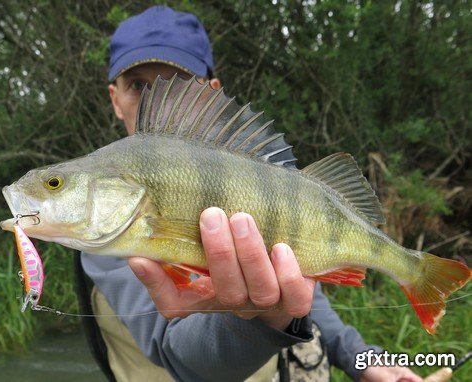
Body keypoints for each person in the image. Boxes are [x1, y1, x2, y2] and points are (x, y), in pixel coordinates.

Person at [81, 5, 423, 382]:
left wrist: (365, 362)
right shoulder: (105, 225)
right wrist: (263, 318)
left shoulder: (264, 177)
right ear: (115, 99)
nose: (156, 99)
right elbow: (178, 355)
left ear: (213, 92)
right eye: (138, 86)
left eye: (179, 83)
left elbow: (307, 291)